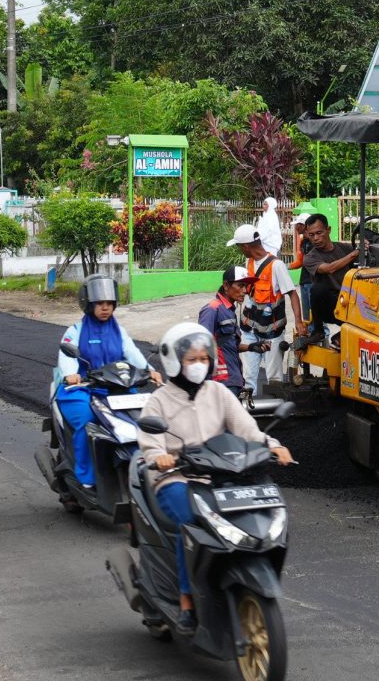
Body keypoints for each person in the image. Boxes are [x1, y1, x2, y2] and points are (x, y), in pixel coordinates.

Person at [138, 323, 294, 636]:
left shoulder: (219, 392)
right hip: (176, 478)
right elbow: (150, 443)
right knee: (191, 522)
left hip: (220, 475)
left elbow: (247, 429)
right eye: (191, 360)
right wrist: (160, 457)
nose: (199, 365)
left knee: (255, 510)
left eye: (203, 359)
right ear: (174, 362)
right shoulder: (159, 400)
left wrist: (273, 446)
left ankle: (237, 569)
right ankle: (186, 598)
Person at [54, 274, 161, 489]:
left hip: (115, 387)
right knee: (86, 420)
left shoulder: (119, 331)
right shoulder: (75, 331)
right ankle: (85, 477)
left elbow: (132, 353)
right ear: (88, 304)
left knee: (145, 414)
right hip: (81, 389)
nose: (105, 308)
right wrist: (70, 374)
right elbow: (67, 357)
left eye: (109, 304)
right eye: (100, 303)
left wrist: (150, 370)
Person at [227, 225, 306, 392]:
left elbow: (292, 294)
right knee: (248, 377)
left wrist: (298, 321)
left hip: (272, 332)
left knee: (274, 378)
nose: (240, 250)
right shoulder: (248, 262)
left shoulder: (276, 266)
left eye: (239, 247)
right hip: (249, 330)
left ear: (246, 246)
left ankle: (274, 413)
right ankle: (249, 413)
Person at [198, 266, 255, 396]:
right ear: (226, 285)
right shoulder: (212, 309)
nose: (245, 291)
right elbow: (201, 345)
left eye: (246, 286)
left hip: (232, 380)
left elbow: (227, 345)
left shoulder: (229, 311)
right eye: (240, 285)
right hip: (220, 383)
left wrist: (251, 347)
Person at [302, 213, 357, 339]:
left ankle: (341, 337)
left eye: (319, 233)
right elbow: (329, 268)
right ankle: (318, 330)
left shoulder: (345, 248)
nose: (315, 238)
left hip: (351, 301)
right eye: (311, 235)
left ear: (328, 230)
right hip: (330, 308)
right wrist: (355, 254)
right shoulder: (310, 258)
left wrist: (365, 248)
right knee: (317, 288)